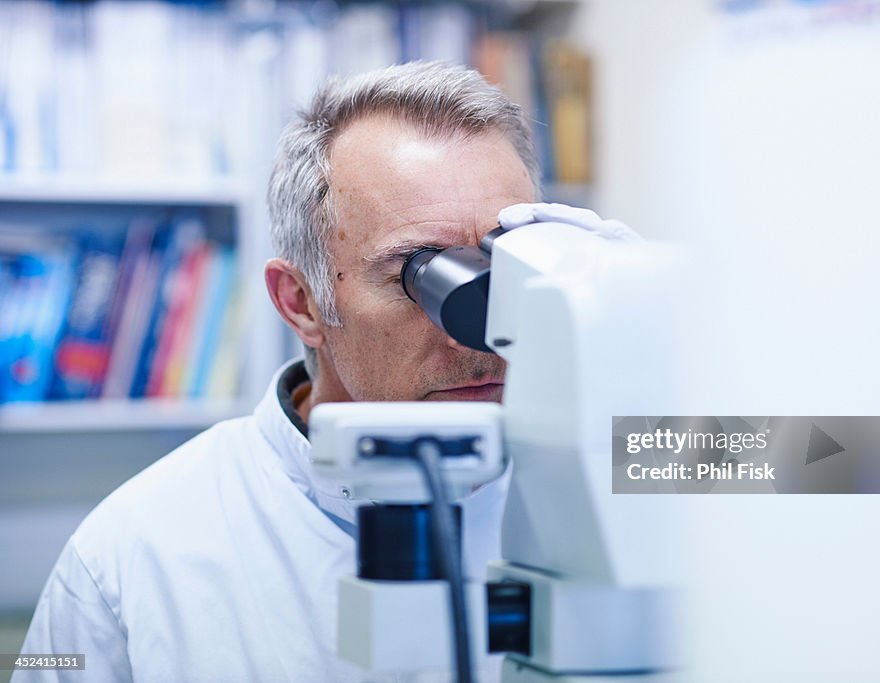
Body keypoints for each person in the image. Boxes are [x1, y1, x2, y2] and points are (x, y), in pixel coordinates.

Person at [16, 61, 629, 682]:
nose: (481, 325)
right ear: (301, 302)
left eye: (503, 264)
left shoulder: (615, 453)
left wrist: (649, 335)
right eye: (421, 273)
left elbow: (730, 462)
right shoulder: (128, 553)